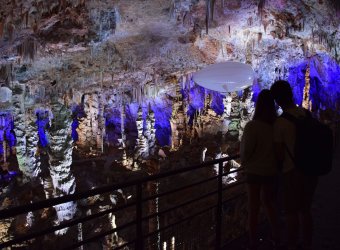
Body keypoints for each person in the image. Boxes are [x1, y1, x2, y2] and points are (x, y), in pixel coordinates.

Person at [270, 80, 318, 250]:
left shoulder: (280, 123)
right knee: (305, 209)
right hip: (311, 169)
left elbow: (279, 154)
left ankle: (291, 244)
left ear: (277, 101)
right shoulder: (306, 114)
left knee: (291, 211)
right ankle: (307, 243)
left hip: (292, 171)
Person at [240, 89, 280, 250]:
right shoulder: (277, 125)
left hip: (254, 172)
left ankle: (253, 241)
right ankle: (277, 236)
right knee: (269, 204)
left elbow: (246, 151)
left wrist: (244, 162)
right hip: (271, 171)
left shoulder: (252, 126)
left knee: (253, 207)